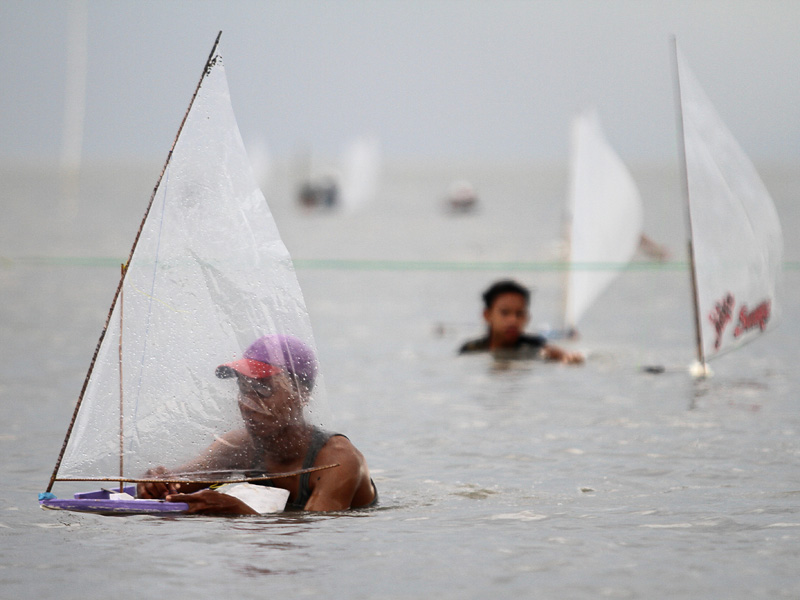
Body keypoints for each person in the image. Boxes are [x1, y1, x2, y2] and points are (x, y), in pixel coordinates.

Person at [137, 334, 377, 514]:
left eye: (263, 389)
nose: (248, 404)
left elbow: (315, 534)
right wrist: (155, 483)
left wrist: (239, 512)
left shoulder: (338, 460)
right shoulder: (240, 445)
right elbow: (177, 482)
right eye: (244, 389)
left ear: (302, 395)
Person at [459, 279, 583, 364]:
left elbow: (563, 356)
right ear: (487, 315)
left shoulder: (536, 347)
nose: (513, 320)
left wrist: (567, 358)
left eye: (519, 314)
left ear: (527, 318)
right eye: (505, 313)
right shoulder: (470, 350)